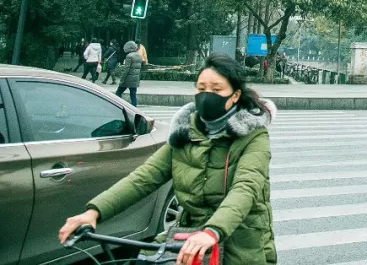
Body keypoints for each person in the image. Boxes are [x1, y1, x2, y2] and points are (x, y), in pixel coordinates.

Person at [59, 54, 276, 265]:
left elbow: (246, 188)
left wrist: (213, 231)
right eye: (201, 89)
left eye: (217, 89)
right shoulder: (184, 133)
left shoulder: (253, 137)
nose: (207, 95)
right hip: (190, 237)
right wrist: (94, 212)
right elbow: (143, 178)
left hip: (241, 242)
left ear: (235, 96)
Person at [114, 41, 143, 106]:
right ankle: (134, 107)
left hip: (127, 79)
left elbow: (126, 69)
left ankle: (119, 105)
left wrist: (122, 79)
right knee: (133, 95)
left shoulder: (129, 56)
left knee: (118, 93)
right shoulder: (139, 55)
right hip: (135, 79)